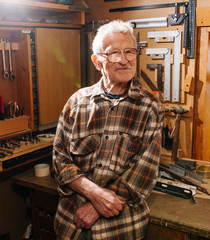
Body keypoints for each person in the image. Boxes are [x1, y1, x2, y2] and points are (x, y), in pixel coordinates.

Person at [52, 20, 164, 240]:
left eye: (129, 52)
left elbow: (144, 171)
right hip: (71, 223)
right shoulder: (77, 103)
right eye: (113, 53)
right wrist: (94, 193)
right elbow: (60, 161)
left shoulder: (150, 106)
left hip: (120, 228)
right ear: (97, 61)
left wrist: (95, 207)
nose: (124, 60)